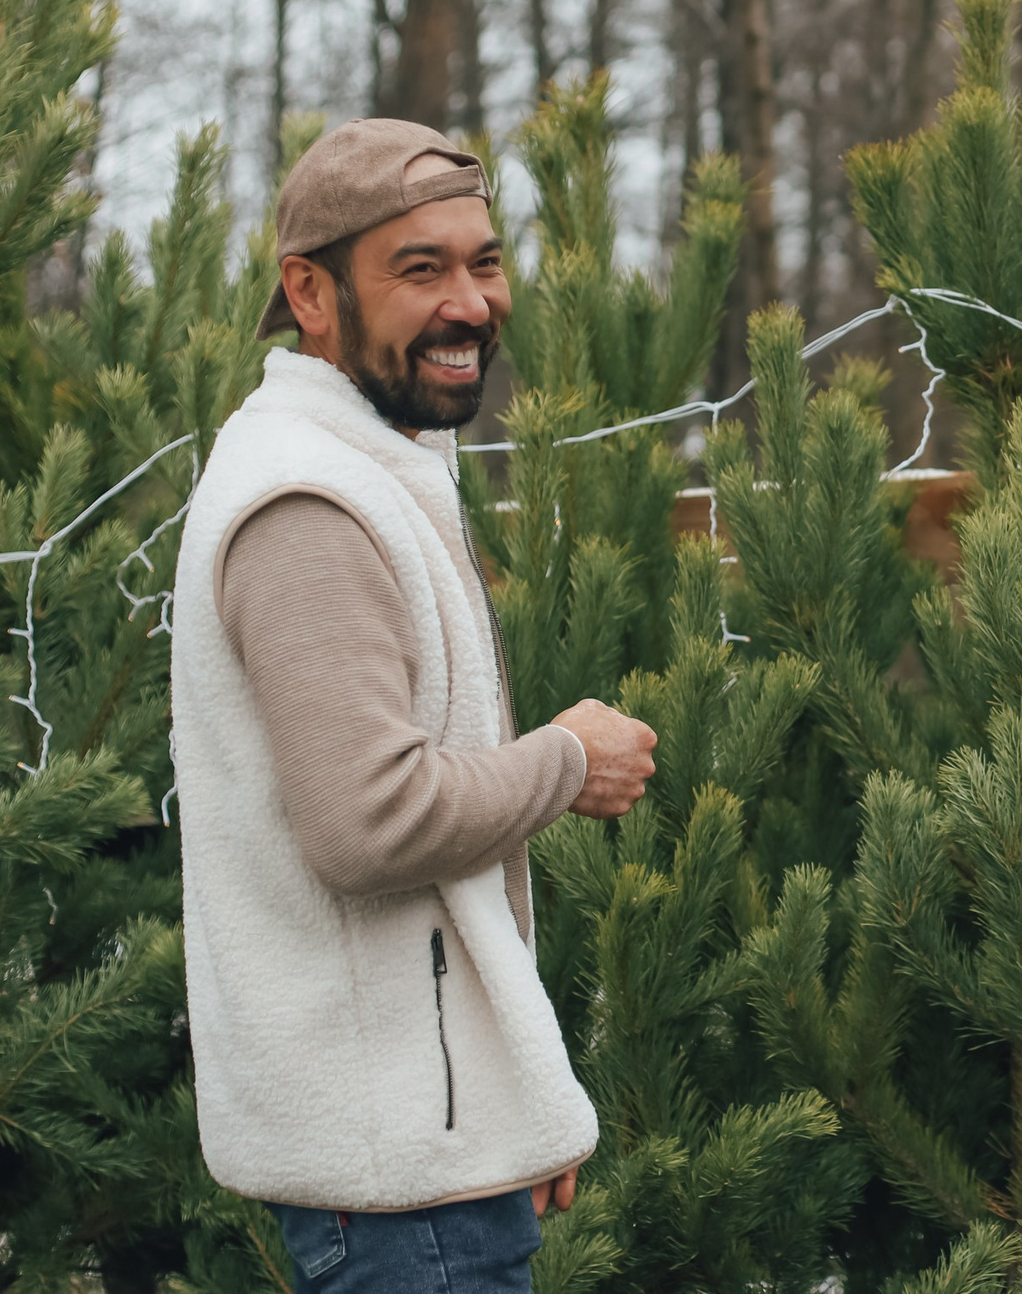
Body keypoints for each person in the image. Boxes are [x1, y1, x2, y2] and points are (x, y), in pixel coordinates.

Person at [171, 120, 659, 1292]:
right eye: (419, 269)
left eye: (483, 262)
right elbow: (367, 823)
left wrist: (505, 1104)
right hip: (398, 1192)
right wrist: (564, 761)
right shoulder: (307, 505)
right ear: (311, 293)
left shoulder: (373, 462)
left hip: (427, 1160)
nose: (471, 304)